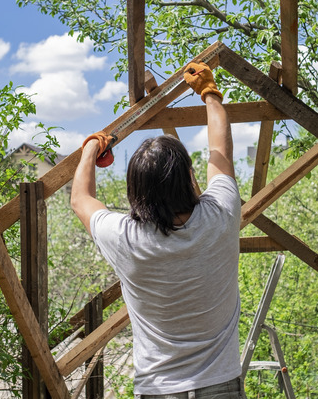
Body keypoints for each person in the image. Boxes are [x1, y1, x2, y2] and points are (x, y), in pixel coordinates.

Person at [70, 61, 245, 398]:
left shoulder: (126, 238)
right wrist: (209, 93)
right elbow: (220, 151)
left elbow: (80, 199)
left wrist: (92, 147)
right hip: (219, 387)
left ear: (136, 190)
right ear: (188, 178)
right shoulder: (220, 215)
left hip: (158, 390)